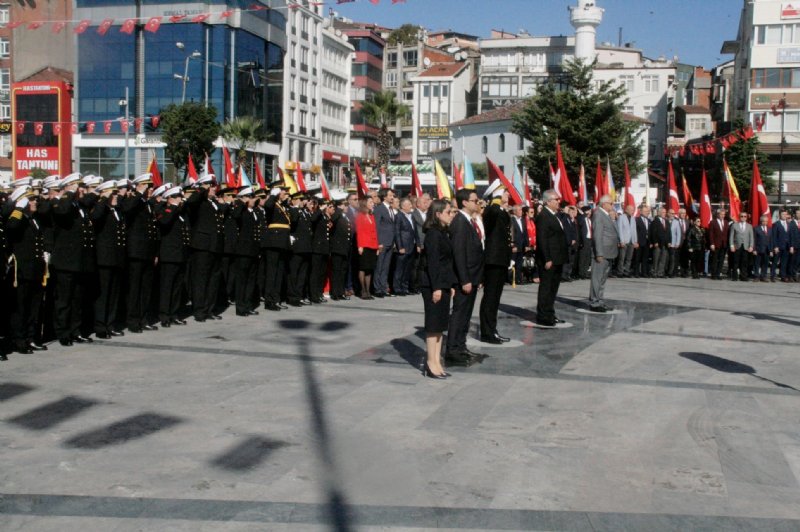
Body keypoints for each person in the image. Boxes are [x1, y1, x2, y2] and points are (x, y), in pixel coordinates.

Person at [5, 186, 47, 354]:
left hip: (36, 269)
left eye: (35, 199)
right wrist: (18, 208)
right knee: (21, 307)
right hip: (22, 270)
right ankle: (19, 340)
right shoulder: (18, 218)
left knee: (33, 307)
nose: (35, 201)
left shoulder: (34, 219)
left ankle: (31, 337)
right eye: (30, 199)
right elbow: (11, 227)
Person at [446, 188, 484, 365]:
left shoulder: (468, 221)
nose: (478, 203)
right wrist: (464, 280)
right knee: (459, 314)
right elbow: (459, 253)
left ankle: (461, 346)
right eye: (474, 200)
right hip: (465, 278)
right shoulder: (460, 222)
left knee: (466, 315)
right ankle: (453, 350)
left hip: (473, 276)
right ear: (464, 203)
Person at [419, 199, 456, 379]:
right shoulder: (433, 234)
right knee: (433, 324)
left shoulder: (443, 232)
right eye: (448, 212)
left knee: (440, 326)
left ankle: (437, 361)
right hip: (434, 284)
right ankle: (430, 362)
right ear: (438, 214)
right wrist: (437, 287)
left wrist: (449, 285)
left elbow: (447, 262)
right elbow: (433, 263)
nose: (451, 215)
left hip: (443, 283)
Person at [186, 174, 227, 320]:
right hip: (202, 247)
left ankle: (209, 309)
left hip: (215, 246)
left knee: (213, 280)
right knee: (201, 280)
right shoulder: (199, 202)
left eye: (214, 185)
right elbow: (190, 202)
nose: (214, 188)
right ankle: (199, 310)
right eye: (210, 186)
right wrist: (201, 189)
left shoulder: (214, 203)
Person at [91, 180, 127, 339]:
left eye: (116, 193)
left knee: (114, 294)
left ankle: (110, 324)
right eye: (113, 193)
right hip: (104, 259)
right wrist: (102, 199)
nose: (116, 196)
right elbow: (96, 218)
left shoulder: (117, 211)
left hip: (117, 258)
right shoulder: (101, 210)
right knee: (103, 295)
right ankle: (100, 326)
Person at [479, 182, 512, 345]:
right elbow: (491, 213)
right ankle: (487, 332)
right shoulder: (492, 211)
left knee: (495, 298)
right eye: (505, 193)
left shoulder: (501, 212)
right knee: (490, 297)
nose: (508, 195)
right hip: (493, 260)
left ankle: (492, 329)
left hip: (501, 259)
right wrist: (496, 200)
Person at [156, 186, 191, 325]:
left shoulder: (181, 213)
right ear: (170, 198)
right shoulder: (165, 211)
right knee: (167, 287)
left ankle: (174, 313)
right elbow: (164, 222)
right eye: (177, 198)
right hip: (169, 255)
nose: (180, 200)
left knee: (177, 287)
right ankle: (164, 315)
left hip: (180, 255)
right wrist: (174, 207)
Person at [535, 190, 568, 327]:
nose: (558, 201)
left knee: (553, 288)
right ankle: (543, 315)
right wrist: (547, 258)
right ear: (548, 201)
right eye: (556, 199)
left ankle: (550, 313)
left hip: (557, 258)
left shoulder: (554, 215)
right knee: (546, 288)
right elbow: (542, 239)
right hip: (549, 259)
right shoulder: (544, 216)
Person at [261, 181, 292, 311]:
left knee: (279, 272)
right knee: (272, 273)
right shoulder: (272, 203)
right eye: (283, 190)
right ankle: (269, 301)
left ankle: (276, 298)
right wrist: (273, 195)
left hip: (282, 241)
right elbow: (267, 206)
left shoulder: (282, 206)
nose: (285, 192)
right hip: (273, 242)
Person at [589, 195, 619, 312]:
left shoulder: (605, 215)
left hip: (609, 252)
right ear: (604, 204)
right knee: (597, 278)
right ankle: (594, 302)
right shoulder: (598, 214)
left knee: (602, 279)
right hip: (602, 253)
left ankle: (600, 300)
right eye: (611, 203)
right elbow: (597, 235)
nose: (612, 206)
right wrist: (599, 253)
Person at [287, 192, 313, 306]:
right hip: (297, 247)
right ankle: (292, 297)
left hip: (306, 247)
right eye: (300, 199)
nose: (303, 201)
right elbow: (293, 221)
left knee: (302, 274)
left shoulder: (304, 212)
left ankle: (299, 295)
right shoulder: (292, 210)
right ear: (294, 200)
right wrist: (296, 206)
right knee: (294, 274)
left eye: (303, 199)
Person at [372, 188, 396, 298]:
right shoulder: (379, 209)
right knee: (379, 266)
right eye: (390, 195)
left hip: (390, 242)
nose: (392, 197)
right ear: (384, 196)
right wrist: (378, 242)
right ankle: (377, 289)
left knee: (386, 266)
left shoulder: (391, 209)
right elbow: (376, 226)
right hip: (382, 241)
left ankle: (383, 287)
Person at [309, 199, 333, 304]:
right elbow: (313, 220)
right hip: (317, 248)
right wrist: (320, 209)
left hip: (324, 248)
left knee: (322, 273)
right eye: (324, 205)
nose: (326, 207)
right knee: (315, 273)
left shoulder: (324, 216)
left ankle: (319, 293)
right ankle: (313, 295)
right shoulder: (317, 213)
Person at [354, 197, 379, 300]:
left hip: (372, 245)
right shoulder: (360, 216)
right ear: (365, 204)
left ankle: (368, 290)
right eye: (370, 202)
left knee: (369, 269)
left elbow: (374, 231)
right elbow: (359, 232)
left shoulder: (372, 216)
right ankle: (363, 290)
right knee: (363, 268)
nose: (372, 203)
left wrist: (377, 246)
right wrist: (360, 245)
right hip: (364, 245)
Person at [393, 197, 418, 296]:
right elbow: (397, 232)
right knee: (399, 269)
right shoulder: (398, 216)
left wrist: (418, 244)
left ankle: (405, 287)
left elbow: (414, 231)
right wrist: (400, 247)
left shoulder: (411, 216)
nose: (411, 206)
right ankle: (397, 288)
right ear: (403, 206)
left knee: (407, 269)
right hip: (403, 246)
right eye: (409, 205)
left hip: (411, 246)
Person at [329, 199, 353, 301]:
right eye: (345, 205)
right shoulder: (337, 215)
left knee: (343, 271)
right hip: (337, 248)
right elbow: (333, 220)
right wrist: (338, 209)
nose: (347, 207)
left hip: (345, 248)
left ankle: (341, 292)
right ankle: (335, 292)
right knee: (336, 271)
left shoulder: (345, 217)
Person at [410, 192, 430, 294]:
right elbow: (414, 230)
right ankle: (414, 286)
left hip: (427, 244)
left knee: (423, 266)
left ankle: (421, 285)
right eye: (424, 202)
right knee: (416, 266)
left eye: (427, 202)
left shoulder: (428, 214)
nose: (426, 203)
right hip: (418, 243)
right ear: (418, 204)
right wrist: (418, 244)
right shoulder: (413, 214)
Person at [728, 211, 754, 281]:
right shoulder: (735, 225)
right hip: (737, 246)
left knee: (744, 262)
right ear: (739, 217)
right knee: (736, 262)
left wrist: (751, 246)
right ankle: (735, 276)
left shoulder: (749, 226)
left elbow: (751, 237)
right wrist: (731, 245)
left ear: (746, 218)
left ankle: (743, 276)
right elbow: (731, 236)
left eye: (744, 216)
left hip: (746, 246)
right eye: (741, 216)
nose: (743, 218)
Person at [771, 209, 794, 282]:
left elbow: (791, 236)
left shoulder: (789, 224)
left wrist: (791, 246)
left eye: (785, 214)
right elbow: (774, 236)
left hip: (787, 247)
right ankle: (773, 276)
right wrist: (775, 246)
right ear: (780, 215)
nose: (784, 216)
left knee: (784, 262)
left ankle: (783, 276)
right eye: (783, 214)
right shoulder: (776, 224)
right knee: (775, 262)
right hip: (778, 246)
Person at [707, 208, 730, 280]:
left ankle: (718, 274)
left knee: (721, 260)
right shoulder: (713, 222)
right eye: (721, 214)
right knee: (714, 259)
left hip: (724, 244)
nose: (723, 216)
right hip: (716, 244)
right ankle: (713, 274)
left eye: (724, 214)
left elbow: (727, 234)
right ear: (718, 215)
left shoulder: (726, 222)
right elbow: (711, 234)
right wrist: (712, 243)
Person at [616, 204, 637, 277]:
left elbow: (634, 230)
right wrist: (621, 241)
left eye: (633, 210)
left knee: (629, 258)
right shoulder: (621, 217)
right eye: (631, 210)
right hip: (624, 241)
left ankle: (626, 271)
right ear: (626, 210)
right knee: (622, 258)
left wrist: (635, 241)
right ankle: (620, 272)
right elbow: (620, 229)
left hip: (631, 241)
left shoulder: (633, 218)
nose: (632, 211)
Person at [649, 207, 671, 278]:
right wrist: (655, 241)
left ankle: (660, 273)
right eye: (663, 212)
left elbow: (669, 233)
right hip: (658, 243)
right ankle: (654, 272)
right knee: (656, 258)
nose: (664, 214)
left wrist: (669, 241)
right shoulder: (655, 221)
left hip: (665, 244)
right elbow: (653, 232)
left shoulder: (666, 221)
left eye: (665, 212)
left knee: (663, 259)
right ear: (659, 213)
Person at [510, 203, 528, 285]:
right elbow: (511, 234)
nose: (522, 212)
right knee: (512, 263)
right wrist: (513, 245)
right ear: (514, 211)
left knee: (519, 263)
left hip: (521, 245)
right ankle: (511, 279)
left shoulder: (523, 220)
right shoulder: (511, 220)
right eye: (520, 210)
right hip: (515, 246)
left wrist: (526, 244)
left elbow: (525, 233)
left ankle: (519, 278)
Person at [633, 204, 652, 277]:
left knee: (645, 258)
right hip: (639, 242)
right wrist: (636, 241)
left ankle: (644, 273)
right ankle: (636, 272)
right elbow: (635, 231)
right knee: (637, 258)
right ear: (640, 211)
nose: (647, 212)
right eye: (645, 211)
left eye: (648, 211)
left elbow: (650, 232)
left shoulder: (649, 220)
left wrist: (651, 242)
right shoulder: (636, 220)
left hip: (647, 242)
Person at [753, 214, 772, 282]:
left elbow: (771, 240)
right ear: (761, 221)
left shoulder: (770, 229)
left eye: (766, 221)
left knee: (765, 263)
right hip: (758, 249)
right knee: (757, 263)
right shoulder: (756, 229)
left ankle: (763, 276)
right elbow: (754, 240)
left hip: (767, 249)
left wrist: (771, 250)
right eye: (764, 221)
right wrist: (754, 249)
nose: (765, 223)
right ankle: (756, 276)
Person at [576, 205, 593, 279]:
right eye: (589, 211)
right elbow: (579, 222)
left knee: (587, 257)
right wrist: (584, 214)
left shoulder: (589, 219)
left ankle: (585, 272)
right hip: (584, 239)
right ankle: (581, 272)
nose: (590, 212)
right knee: (582, 256)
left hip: (589, 239)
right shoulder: (582, 218)